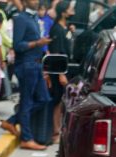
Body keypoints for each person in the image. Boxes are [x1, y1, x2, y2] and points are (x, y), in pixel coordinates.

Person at [3, 0, 51, 150]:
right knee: (27, 101)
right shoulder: (20, 19)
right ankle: (26, 138)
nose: (36, 1)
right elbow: (17, 45)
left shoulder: (34, 18)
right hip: (26, 65)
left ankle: (12, 121)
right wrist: (37, 43)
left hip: (37, 64)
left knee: (44, 99)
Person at [48, 1, 74, 144]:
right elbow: (56, 53)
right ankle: (55, 132)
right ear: (64, 12)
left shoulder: (65, 27)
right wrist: (60, 74)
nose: (72, 10)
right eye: (70, 8)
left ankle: (59, 129)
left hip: (65, 67)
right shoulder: (57, 29)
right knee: (57, 101)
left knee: (62, 101)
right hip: (59, 70)